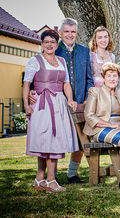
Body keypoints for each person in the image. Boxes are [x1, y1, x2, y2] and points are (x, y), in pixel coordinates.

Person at [30, 18, 94, 183]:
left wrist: (87, 98)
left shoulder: (85, 51)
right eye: (66, 31)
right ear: (60, 33)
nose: (70, 35)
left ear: (77, 33)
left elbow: (90, 78)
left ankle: (72, 174)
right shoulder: (53, 50)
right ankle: (52, 175)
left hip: (79, 101)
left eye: (73, 32)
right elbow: (37, 75)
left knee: (80, 139)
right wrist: (31, 91)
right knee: (52, 137)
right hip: (56, 102)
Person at [23, 30, 78, 193]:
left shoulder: (61, 61)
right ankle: (48, 180)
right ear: (42, 44)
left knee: (54, 140)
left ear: (56, 44)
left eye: (52, 42)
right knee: (45, 140)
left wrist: (70, 100)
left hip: (59, 103)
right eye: (46, 41)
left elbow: (66, 84)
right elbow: (26, 84)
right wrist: (26, 105)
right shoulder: (35, 60)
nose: (49, 44)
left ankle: (42, 180)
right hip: (41, 104)